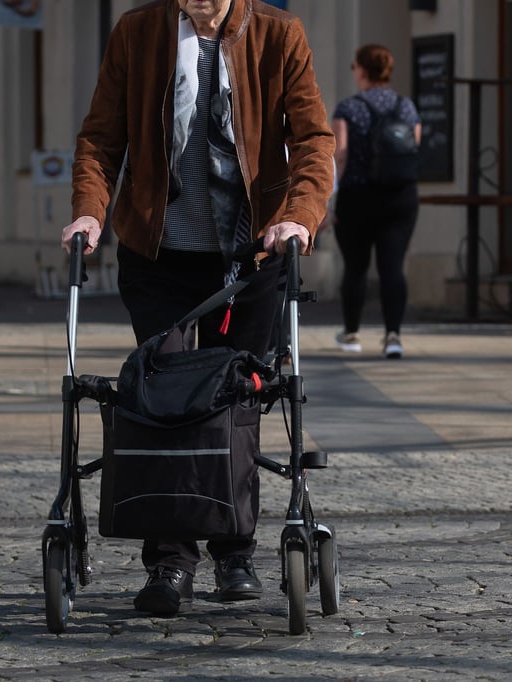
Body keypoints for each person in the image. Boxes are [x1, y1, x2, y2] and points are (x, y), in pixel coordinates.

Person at [61, 0, 334, 616]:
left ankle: (234, 550)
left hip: (252, 258)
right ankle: (169, 559)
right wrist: (89, 208)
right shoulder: (137, 31)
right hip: (158, 257)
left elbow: (314, 140)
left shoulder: (277, 34)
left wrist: (298, 216)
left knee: (238, 395)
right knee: (165, 399)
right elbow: (101, 138)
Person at [331, 44, 421, 359]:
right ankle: (393, 336)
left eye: (354, 66)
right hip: (400, 197)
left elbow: (339, 154)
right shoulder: (406, 107)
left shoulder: (348, 108)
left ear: (362, 70)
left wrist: (331, 197)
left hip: (358, 197)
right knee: (392, 267)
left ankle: (352, 333)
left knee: (355, 268)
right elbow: (413, 148)